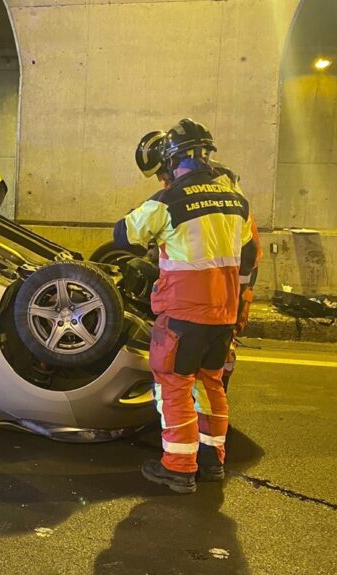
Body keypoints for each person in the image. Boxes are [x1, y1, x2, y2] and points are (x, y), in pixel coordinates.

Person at [113, 119, 257, 494]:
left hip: (183, 313)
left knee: (174, 386)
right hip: (223, 313)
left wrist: (146, 211)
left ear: (174, 159)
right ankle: (212, 462)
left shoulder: (168, 201)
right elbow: (248, 252)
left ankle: (178, 467)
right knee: (211, 385)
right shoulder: (236, 201)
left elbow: (125, 235)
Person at [134, 129, 261, 391]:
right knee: (217, 346)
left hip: (229, 273)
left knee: (220, 345)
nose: (160, 178)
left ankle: (213, 395)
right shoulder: (207, 177)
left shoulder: (209, 183)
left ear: (171, 160)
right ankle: (213, 408)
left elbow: (201, 232)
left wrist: (242, 291)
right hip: (228, 270)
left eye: (160, 170)